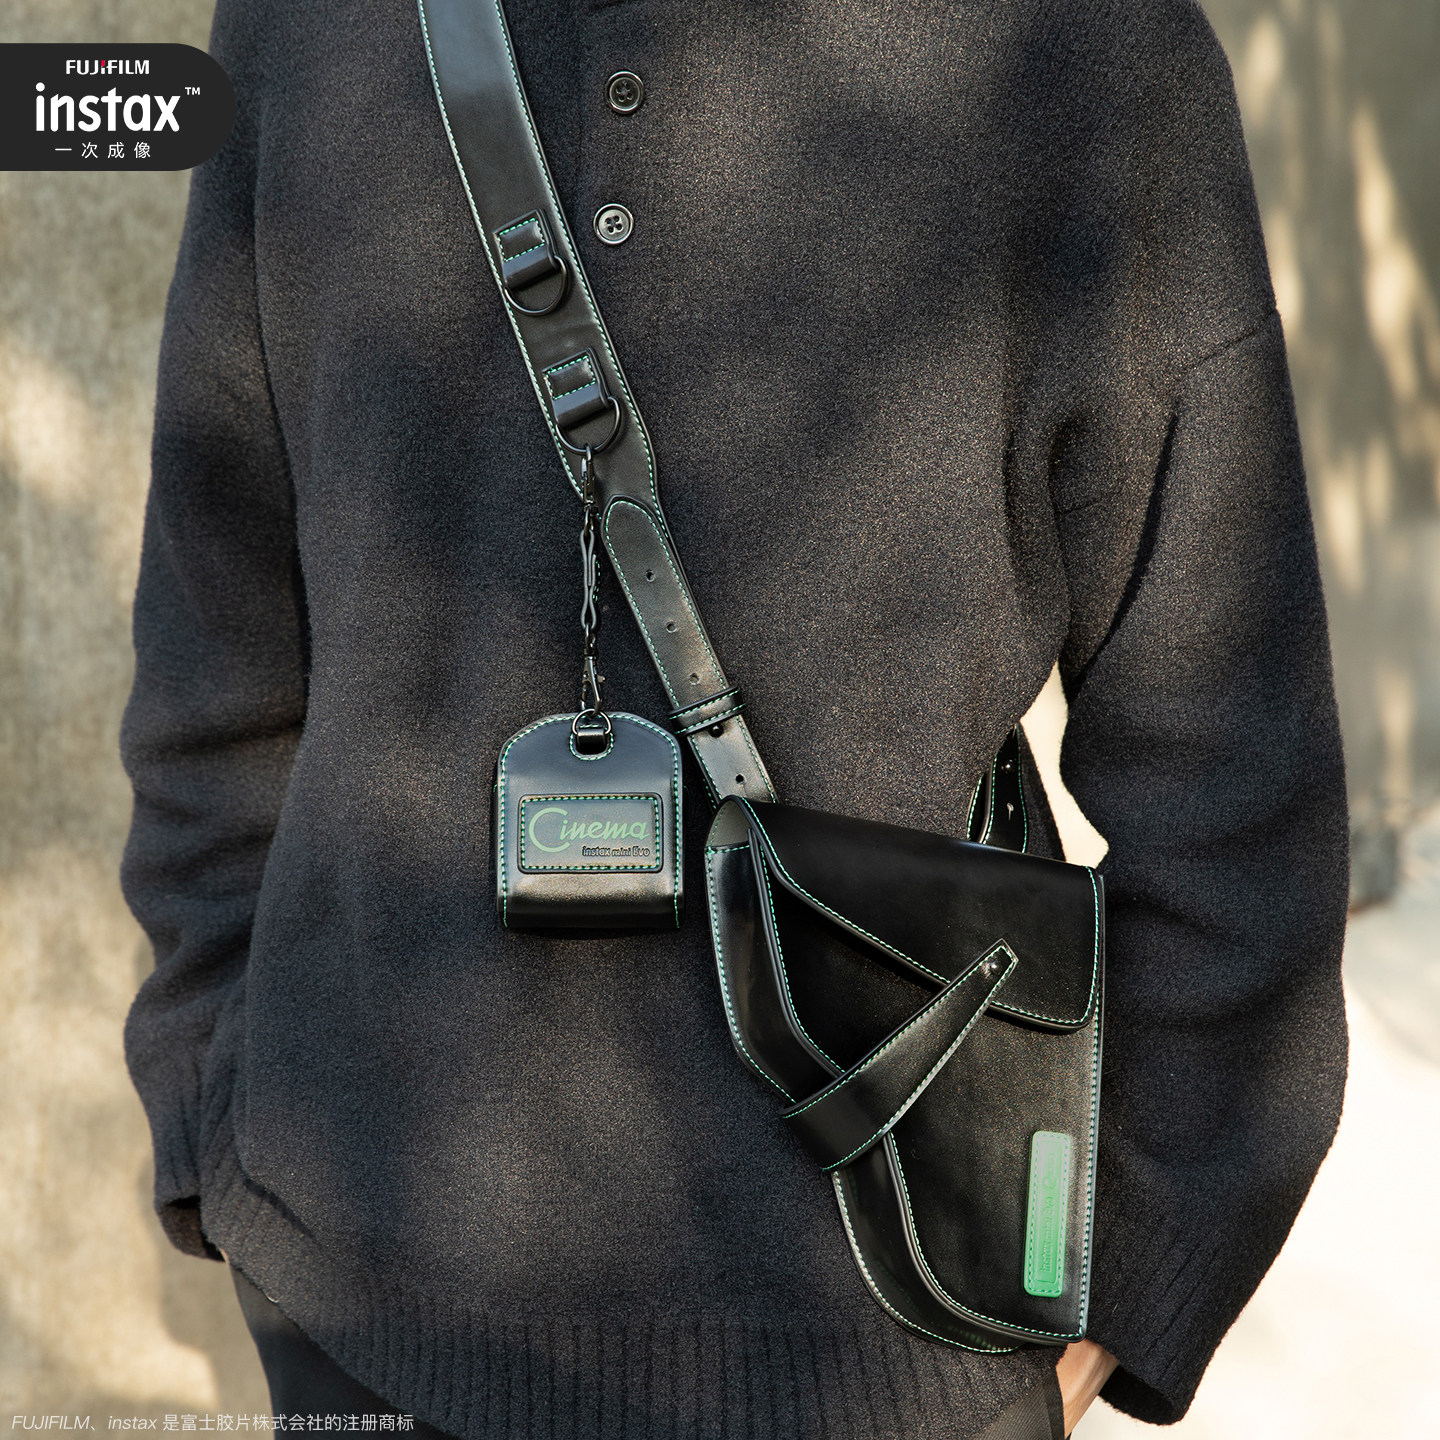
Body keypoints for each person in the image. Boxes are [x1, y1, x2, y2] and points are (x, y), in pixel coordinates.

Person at [119, 0, 1350, 1436]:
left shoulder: (1087, 48)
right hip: (359, 1307)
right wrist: (214, 1111)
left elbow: (1231, 767)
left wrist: (1129, 1273)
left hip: (896, 1334)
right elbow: (217, 646)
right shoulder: (304, 26)